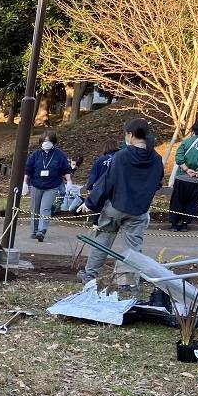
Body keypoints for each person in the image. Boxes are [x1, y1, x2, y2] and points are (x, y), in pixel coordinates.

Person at [76, 118, 163, 288]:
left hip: (116, 206)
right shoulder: (156, 158)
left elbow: (107, 181)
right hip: (139, 209)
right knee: (134, 247)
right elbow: (157, 183)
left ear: (130, 135)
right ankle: (128, 281)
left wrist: (91, 202)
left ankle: (90, 273)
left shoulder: (122, 156)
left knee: (103, 239)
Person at [24, 130, 72, 242]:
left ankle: (42, 231)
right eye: (45, 141)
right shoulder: (35, 155)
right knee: (35, 208)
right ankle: (34, 231)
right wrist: (25, 183)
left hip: (52, 186)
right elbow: (28, 170)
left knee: (45, 208)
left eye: (49, 141)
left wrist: (69, 181)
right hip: (36, 185)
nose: (47, 143)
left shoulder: (59, 155)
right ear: (41, 142)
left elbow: (65, 169)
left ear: (53, 142)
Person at [168, 121, 198, 232]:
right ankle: (185, 223)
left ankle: (174, 223)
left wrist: (187, 169)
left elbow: (179, 157)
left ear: (193, 130)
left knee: (177, 200)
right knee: (192, 201)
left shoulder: (186, 142)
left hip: (182, 176)